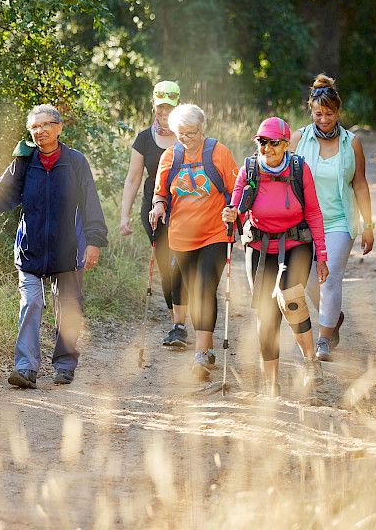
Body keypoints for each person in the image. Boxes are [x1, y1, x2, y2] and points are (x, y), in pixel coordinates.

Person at [0, 104, 108, 389]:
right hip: (31, 247)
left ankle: (64, 365)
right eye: (34, 127)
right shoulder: (25, 162)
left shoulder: (76, 162)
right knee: (32, 302)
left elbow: (91, 203)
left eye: (46, 125)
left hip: (68, 249)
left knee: (68, 307)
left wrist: (94, 241)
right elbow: (2, 190)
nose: (40, 131)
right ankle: (25, 367)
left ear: (59, 127)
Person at [223, 117, 329, 397]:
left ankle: (310, 363)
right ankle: (271, 382)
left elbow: (314, 212)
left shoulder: (299, 169)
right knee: (267, 314)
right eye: (261, 142)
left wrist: (322, 255)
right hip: (260, 245)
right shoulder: (249, 169)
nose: (266, 148)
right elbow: (235, 204)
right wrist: (230, 213)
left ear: (285, 144)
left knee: (291, 298)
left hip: (297, 241)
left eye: (273, 143)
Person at [148, 104, 238, 380]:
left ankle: (200, 355)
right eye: (182, 134)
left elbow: (237, 190)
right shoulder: (169, 157)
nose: (188, 139)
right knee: (195, 291)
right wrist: (159, 206)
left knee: (203, 288)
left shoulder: (219, 153)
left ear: (203, 128)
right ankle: (207, 348)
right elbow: (160, 193)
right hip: (181, 237)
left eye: (193, 133)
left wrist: (234, 210)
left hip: (215, 233)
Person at [290, 75, 375, 362]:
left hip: (339, 221)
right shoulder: (299, 139)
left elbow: (360, 183)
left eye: (329, 114)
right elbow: (282, 176)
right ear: (310, 111)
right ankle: (333, 316)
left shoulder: (352, 143)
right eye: (318, 113)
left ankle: (324, 339)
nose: (323, 119)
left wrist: (368, 225)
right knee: (307, 279)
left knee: (329, 278)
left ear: (338, 113)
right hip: (303, 223)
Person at [120, 80, 189, 348]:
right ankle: (178, 323)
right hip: (154, 213)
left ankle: (181, 323)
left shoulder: (188, 136)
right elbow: (133, 178)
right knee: (167, 268)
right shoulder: (144, 139)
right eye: (160, 106)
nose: (164, 112)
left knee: (182, 265)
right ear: (154, 105)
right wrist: (124, 216)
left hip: (187, 211)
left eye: (169, 107)